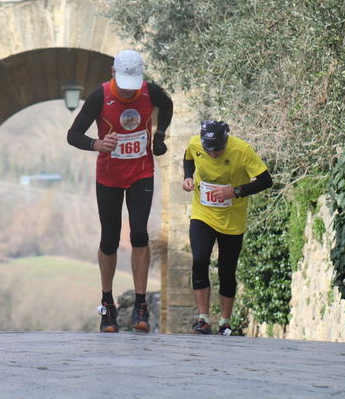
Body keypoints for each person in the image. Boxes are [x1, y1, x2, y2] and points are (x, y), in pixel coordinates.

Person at [67, 49, 173, 333]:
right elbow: (73, 135)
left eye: (133, 87)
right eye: (125, 87)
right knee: (110, 238)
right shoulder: (100, 96)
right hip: (109, 177)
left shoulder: (150, 92)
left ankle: (141, 305)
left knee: (139, 232)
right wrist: (96, 144)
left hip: (141, 173)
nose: (129, 93)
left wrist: (160, 136)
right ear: (113, 73)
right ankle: (107, 305)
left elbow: (168, 105)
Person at [182, 120, 273, 335]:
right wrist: (187, 177)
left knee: (227, 270)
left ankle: (225, 322)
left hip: (232, 220)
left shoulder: (242, 150)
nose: (213, 155)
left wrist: (235, 192)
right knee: (200, 260)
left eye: (218, 150)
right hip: (202, 214)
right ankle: (203, 319)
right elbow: (188, 159)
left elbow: (265, 180)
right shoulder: (195, 144)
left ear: (226, 142)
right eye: (208, 150)